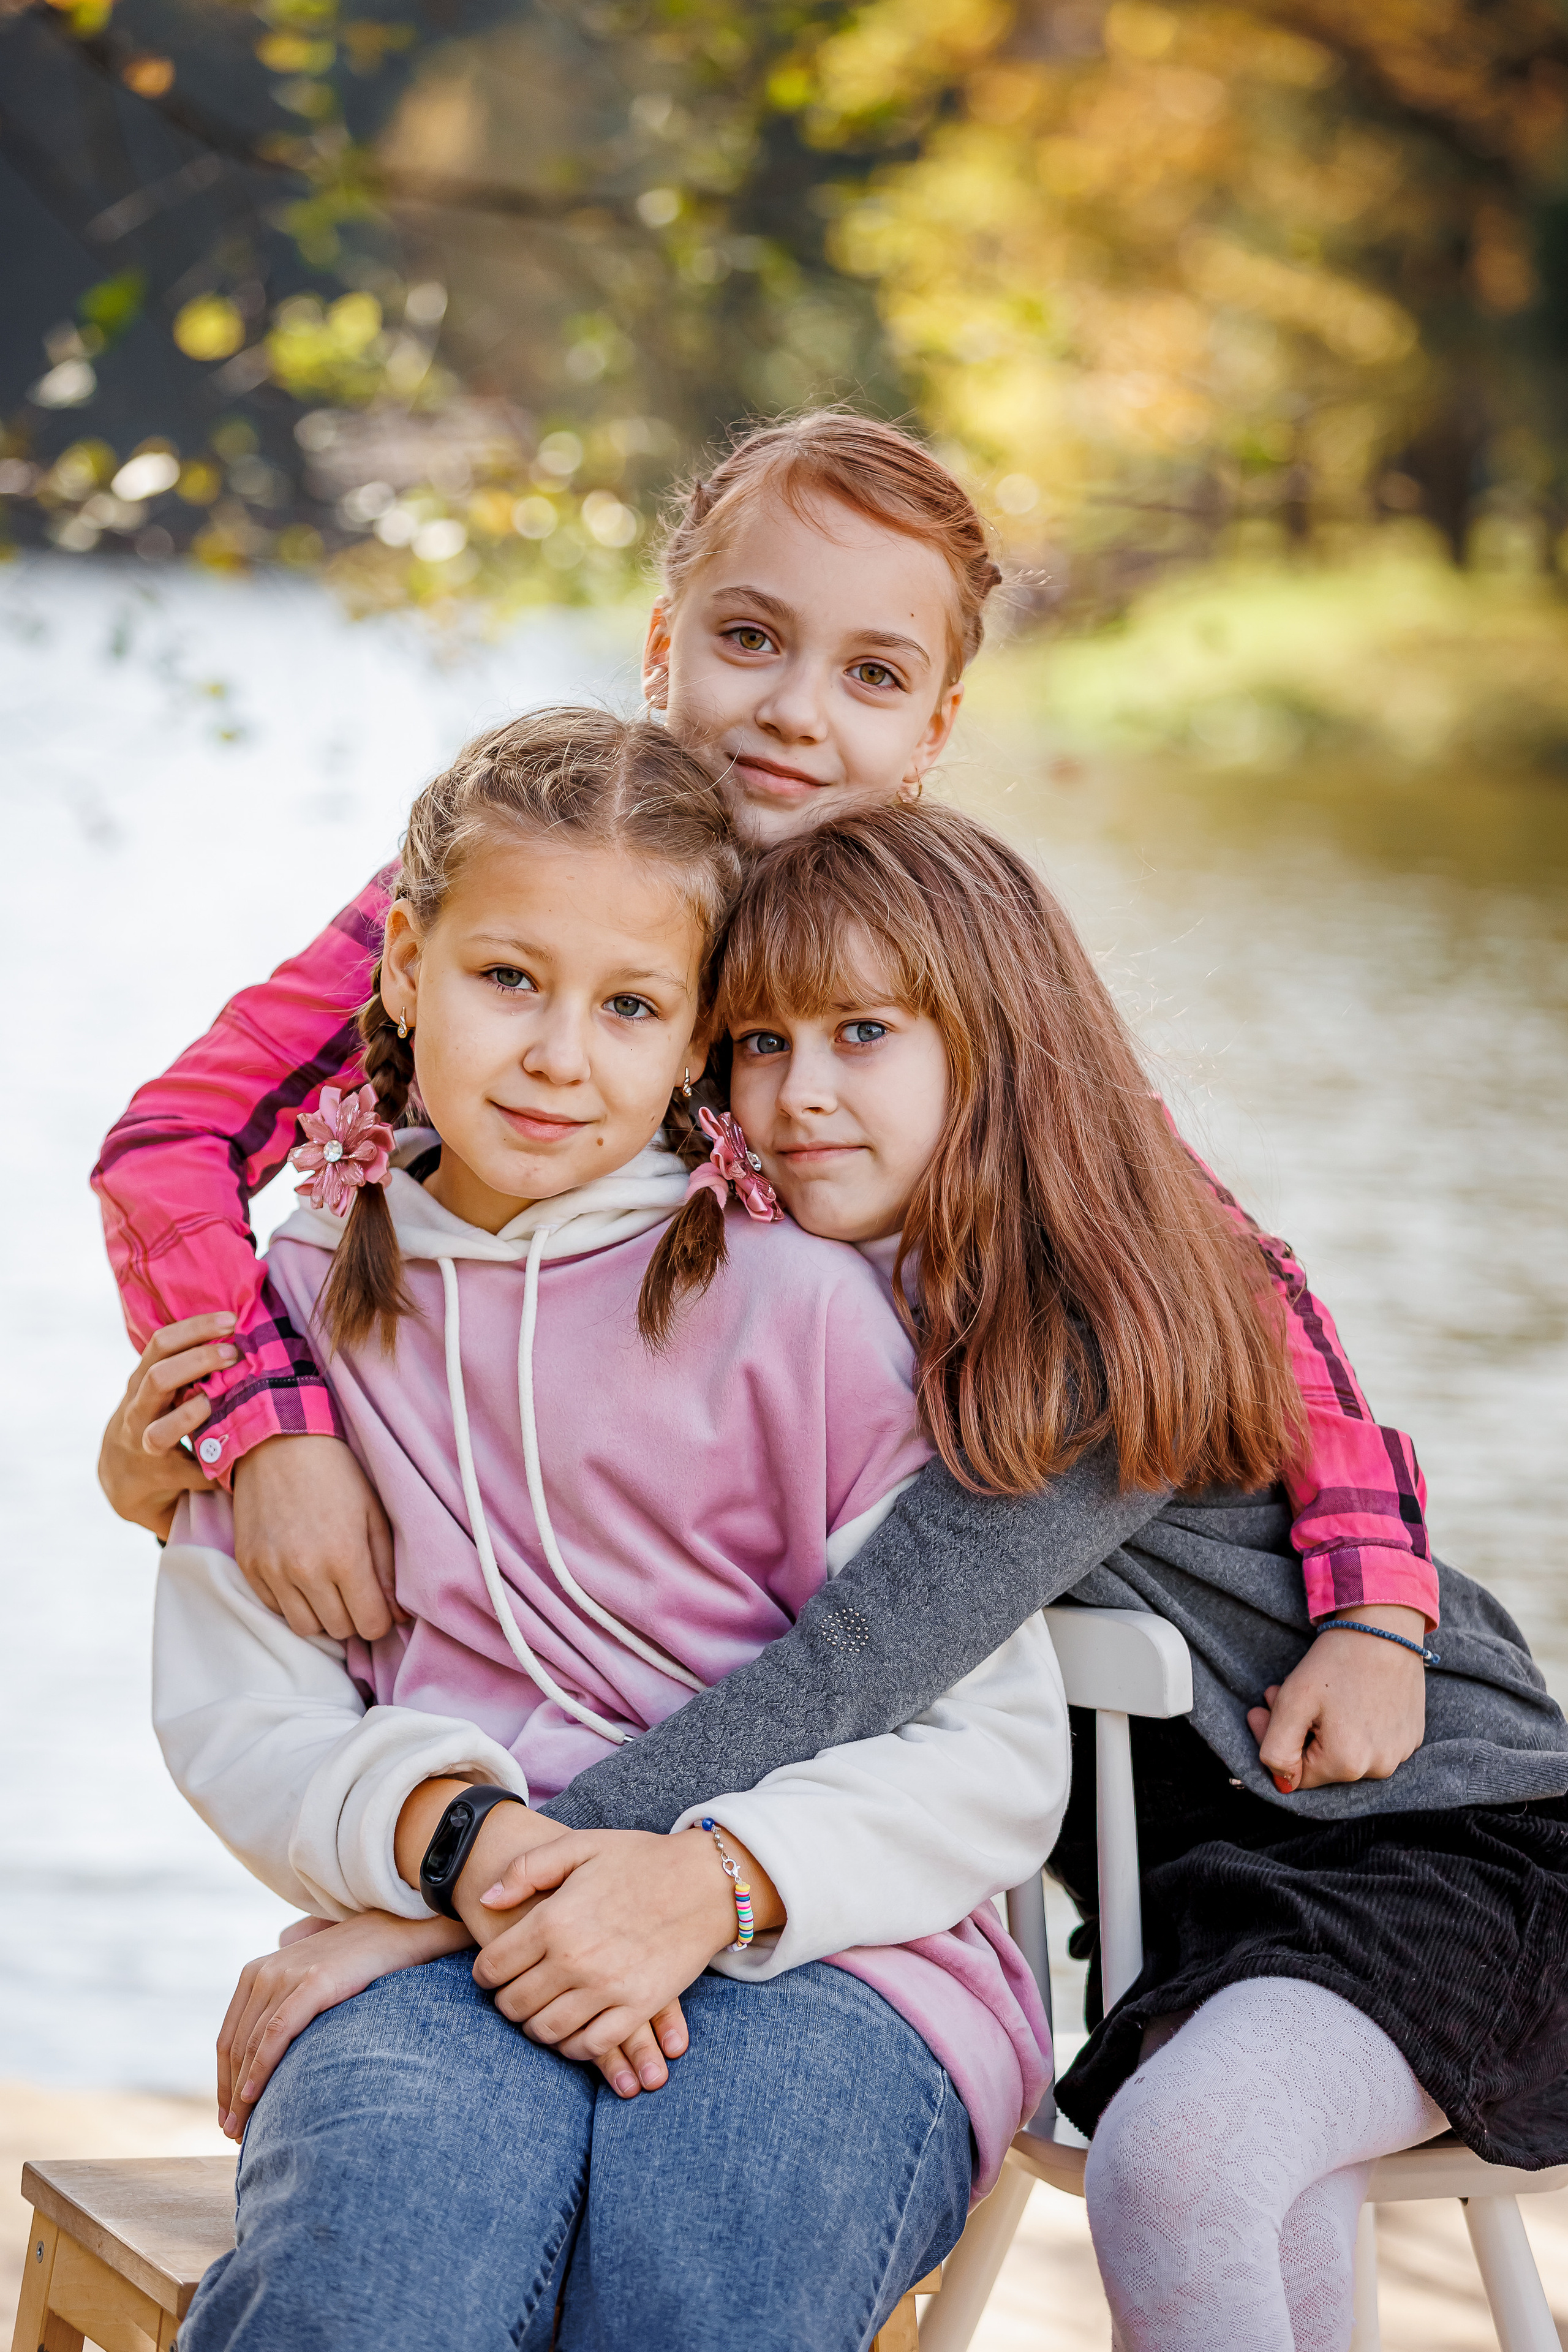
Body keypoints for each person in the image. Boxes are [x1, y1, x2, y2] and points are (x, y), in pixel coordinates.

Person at [100, 408, 1433, 1806]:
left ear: (933, 727)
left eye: (869, 673)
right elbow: (170, 1144)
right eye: (750, 640)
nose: (795, 709)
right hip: (602, 1647)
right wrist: (265, 1430)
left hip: (931, 1612)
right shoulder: (529, 880)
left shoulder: (935, 951)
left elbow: (1213, 1270)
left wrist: (1376, 1600)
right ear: (662, 642)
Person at [156, 709, 1066, 2352]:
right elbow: (240, 1709)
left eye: (631, 1007)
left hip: (831, 1950)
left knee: (696, 2289)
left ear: (697, 1034)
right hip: (445, 1928)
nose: (561, 1056)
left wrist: (718, 1883)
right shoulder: (293, 1313)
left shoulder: (799, 1307)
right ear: (408, 963)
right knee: (376, 2279)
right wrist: (459, 1844)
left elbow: (991, 1753)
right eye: (510, 980)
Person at [697, 801, 1568, 2352]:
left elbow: (856, 1664)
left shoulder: (1081, 1332)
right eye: (756, 1042)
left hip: (1451, 1857)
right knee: (1233, 2176)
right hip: (1218, 1908)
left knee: (1176, 2169)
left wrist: (507, 1862)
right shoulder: (847, 1298)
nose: (796, 1091)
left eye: (861, 1032)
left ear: (998, 1047)